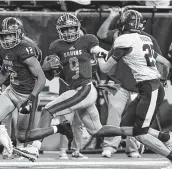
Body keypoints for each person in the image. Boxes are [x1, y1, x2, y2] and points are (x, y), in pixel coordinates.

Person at [16, 13, 107, 161]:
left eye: (72, 28)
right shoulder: (57, 46)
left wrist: (103, 53)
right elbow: (51, 75)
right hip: (74, 89)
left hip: (84, 88)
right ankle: (135, 132)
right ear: (59, 30)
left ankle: (34, 148)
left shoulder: (88, 41)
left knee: (49, 111)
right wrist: (50, 68)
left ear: (78, 28)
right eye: (65, 29)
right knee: (97, 130)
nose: (69, 32)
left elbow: (96, 50)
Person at [95, 10, 172, 169]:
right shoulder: (146, 39)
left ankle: (170, 156)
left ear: (122, 24)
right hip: (149, 87)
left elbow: (104, 69)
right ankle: (165, 137)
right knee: (125, 125)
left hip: (149, 87)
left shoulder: (123, 40)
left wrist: (99, 56)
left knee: (140, 134)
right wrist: (162, 80)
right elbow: (165, 63)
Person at [97, 7, 144, 158]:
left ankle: (133, 148)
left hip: (138, 83)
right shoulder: (118, 36)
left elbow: (158, 59)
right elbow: (101, 35)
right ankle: (110, 146)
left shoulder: (146, 39)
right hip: (117, 82)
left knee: (135, 117)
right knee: (114, 112)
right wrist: (111, 16)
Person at [0, 16, 46, 158]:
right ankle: (7, 145)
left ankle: (59, 128)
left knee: (22, 135)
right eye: (4, 35)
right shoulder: (3, 49)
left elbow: (42, 79)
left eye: (10, 35)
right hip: (12, 90)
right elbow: (4, 71)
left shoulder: (25, 50)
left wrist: (30, 99)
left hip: (26, 95)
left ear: (19, 34)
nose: (7, 39)